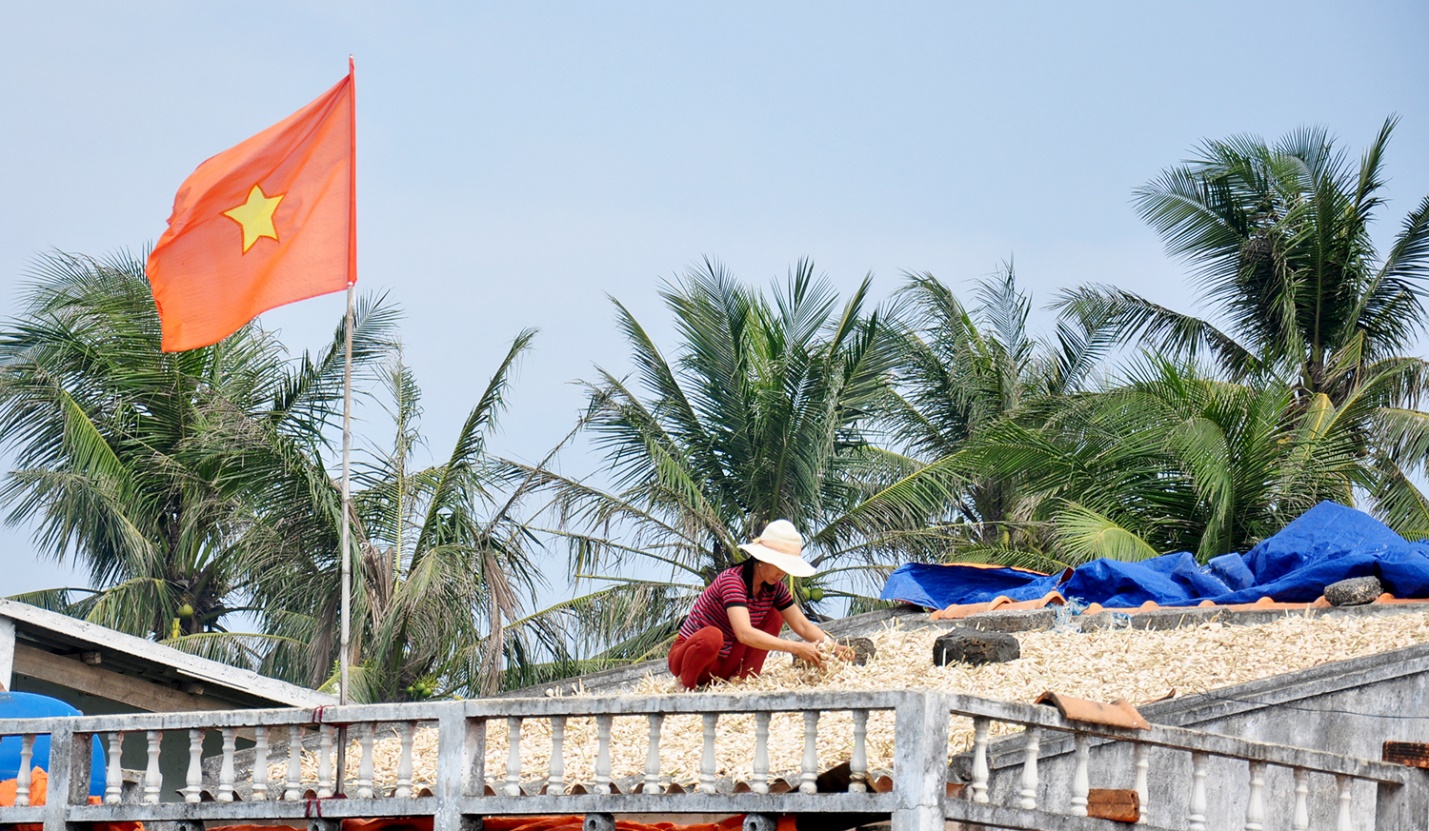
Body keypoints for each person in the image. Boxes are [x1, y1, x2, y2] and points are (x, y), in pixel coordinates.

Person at [668, 519, 852, 689]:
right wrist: (795, 647)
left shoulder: (775, 589)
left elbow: (802, 625)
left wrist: (832, 646)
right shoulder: (732, 581)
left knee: (775, 614)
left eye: (786, 568)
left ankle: (743, 680)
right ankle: (686, 687)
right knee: (711, 636)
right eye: (778, 565)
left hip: (725, 660)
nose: (781, 573)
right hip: (690, 657)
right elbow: (744, 633)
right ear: (762, 560)